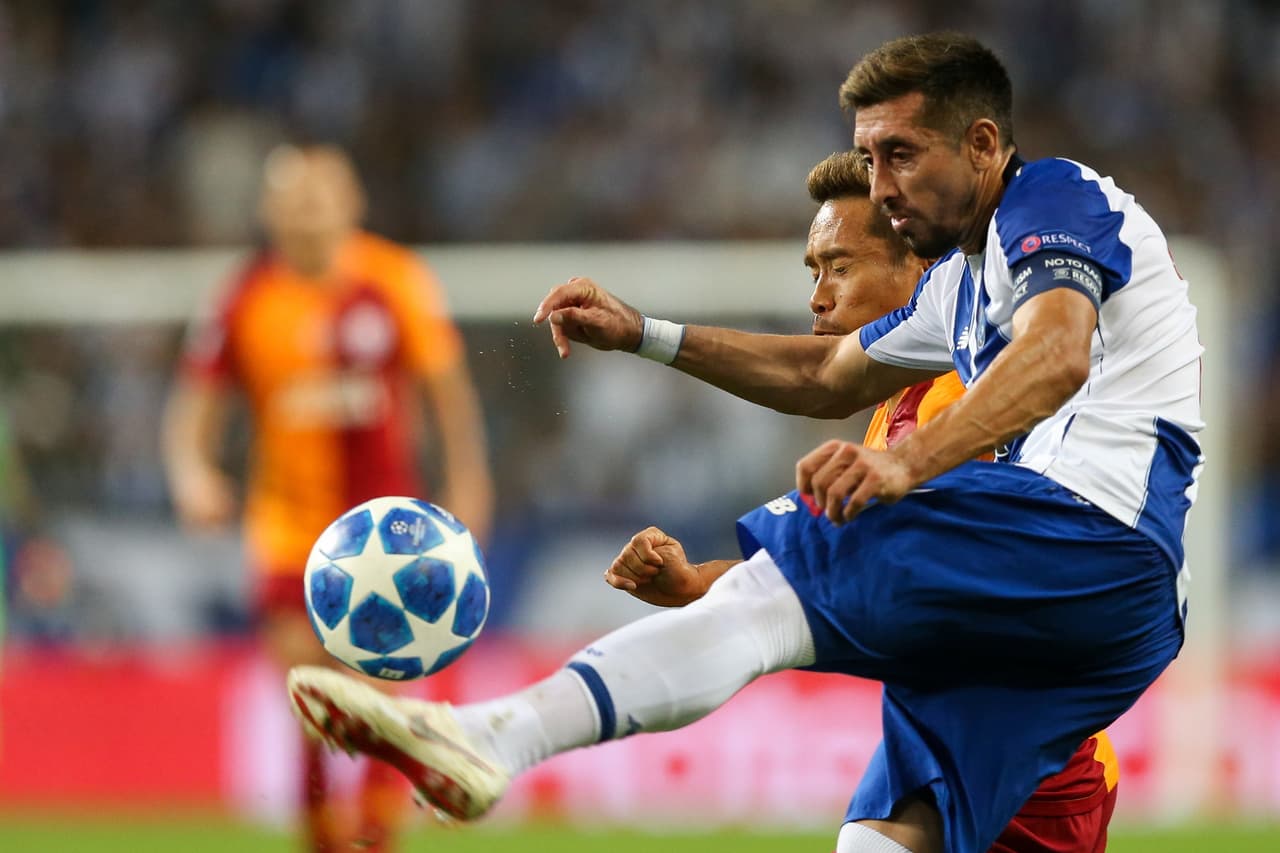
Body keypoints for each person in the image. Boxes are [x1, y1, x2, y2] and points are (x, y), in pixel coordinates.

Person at [286, 33, 1202, 853]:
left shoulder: (1054, 198)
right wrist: (644, 331)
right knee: (881, 835)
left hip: (1094, 533)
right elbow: (823, 375)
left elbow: (1056, 353)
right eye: (868, 157)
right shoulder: (952, 293)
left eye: (901, 154)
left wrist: (904, 463)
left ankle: (494, 737)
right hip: (1085, 623)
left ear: (983, 145)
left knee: (776, 589)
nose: (882, 186)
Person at [604, 149, 1119, 853]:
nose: (818, 296)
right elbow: (833, 561)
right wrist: (699, 583)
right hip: (969, 724)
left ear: (920, 270)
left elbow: (876, 579)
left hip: (1024, 742)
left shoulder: (962, 403)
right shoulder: (903, 406)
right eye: (814, 271)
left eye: (839, 268)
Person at [163, 144, 493, 853]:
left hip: (383, 529)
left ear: (353, 204)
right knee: (311, 696)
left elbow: (448, 394)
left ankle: (372, 836)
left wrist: (469, 482)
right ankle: (321, 834)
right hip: (286, 522)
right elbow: (194, 407)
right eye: (294, 199)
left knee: (373, 693)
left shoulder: (396, 278)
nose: (308, 212)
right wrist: (192, 472)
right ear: (268, 212)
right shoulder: (243, 295)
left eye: (322, 196)